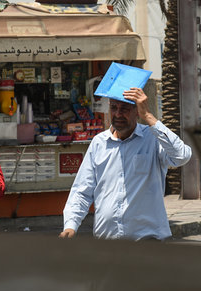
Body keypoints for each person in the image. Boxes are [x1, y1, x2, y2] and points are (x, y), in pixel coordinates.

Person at [59, 88, 192, 241]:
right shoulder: (99, 143)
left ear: (137, 111)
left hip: (148, 243)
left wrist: (148, 116)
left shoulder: (153, 139)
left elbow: (182, 156)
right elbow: (82, 191)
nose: (118, 114)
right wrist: (70, 226)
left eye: (125, 109)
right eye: (114, 108)